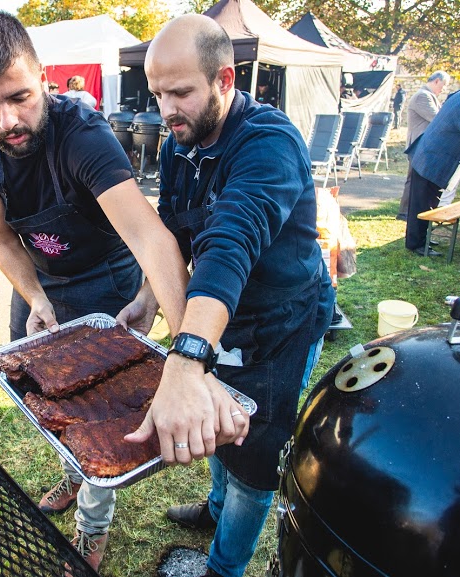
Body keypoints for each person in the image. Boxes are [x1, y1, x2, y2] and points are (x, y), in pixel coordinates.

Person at [0, 10, 235, 573]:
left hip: (104, 282)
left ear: (44, 78)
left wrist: (189, 361)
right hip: (40, 283)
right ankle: (69, 472)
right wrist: (34, 298)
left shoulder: (82, 135)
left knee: (102, 417)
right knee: (51, 402)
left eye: (20, 97)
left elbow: (150, 238)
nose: (8, 120)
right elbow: (2, 240)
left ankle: (92, 527)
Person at [118, 14, 334, 577]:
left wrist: (186, 359)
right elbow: (174, 231)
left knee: (255, 455)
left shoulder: (269, 143)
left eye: (181, 92)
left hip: (279, 324)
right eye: (158, 93)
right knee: (216, 421)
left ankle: (225, 567)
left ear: (225, 80)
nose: (167, 110)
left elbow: (229, 244)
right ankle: (215, 509)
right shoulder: (177, 145)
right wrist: (147, 298)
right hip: (216, 322)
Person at [404, 90, 460, 256]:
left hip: (431, 154)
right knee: (422, 204)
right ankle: (417, 244)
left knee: (427, 201)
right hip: (432, 157)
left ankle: (422, 237)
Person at [397, 71, 451, 220]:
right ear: (436, 81)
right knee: (414, 180)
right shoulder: (423, 96)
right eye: (443, 85)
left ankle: (406, 211)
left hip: (421, 145)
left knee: (414, 180)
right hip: (419, 145)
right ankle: (406, 212)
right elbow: (437, 118)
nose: (443, 89)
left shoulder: (428, 96)